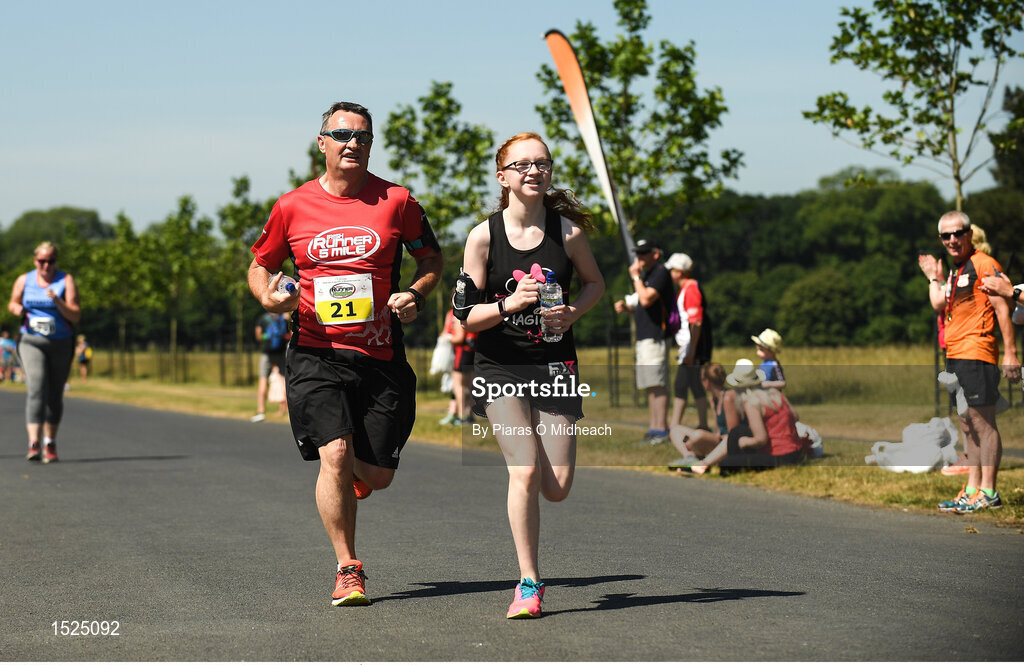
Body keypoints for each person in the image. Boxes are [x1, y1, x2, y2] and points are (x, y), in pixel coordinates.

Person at [248, 101, 443, 606]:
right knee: (333, 454)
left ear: (370, 144)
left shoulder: (398, 201)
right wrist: (271, 297)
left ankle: (356, 474)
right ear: (322, 143)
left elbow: (430, 256)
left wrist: (416, 293)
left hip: (380, 355)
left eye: (361, 136)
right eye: (341, 134)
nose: (351, 142)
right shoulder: (292, 205)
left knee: (375, 474)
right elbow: (260, 265)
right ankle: (348, 567)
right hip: (315, 349)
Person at [461, 132, 604, 619]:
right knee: (522, 470)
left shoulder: (568, 234)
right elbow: (466, 316)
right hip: (499, 365)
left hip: (554, 364)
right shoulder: (483, 236)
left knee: (556, 485)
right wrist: (507, 304)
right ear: (503, 177)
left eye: (541, 163)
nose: (533, 172)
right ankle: (528, 583)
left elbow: (595, 284)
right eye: (521, 165)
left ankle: (538, 483)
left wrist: (571, 315)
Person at [918, 211, 1020, 514]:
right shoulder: (956, 269)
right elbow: (939, 303)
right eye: (945, 236)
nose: (952, 240)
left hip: (978, 353)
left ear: (969, 234)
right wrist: (934, 277)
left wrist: (1011, 353)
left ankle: (988, 490)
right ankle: (972, 488)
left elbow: (1004, 309)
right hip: (956, 354)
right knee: (966, 424)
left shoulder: (984, 264)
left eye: (957, 233)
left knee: (983, 423)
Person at [8, 241, 81, 463]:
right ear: (35, 261)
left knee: (54, 394)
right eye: (41, 261)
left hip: (60, 343)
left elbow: (75, 315)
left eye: (50, 261)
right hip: (31, 341)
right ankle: (34, 443)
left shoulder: (65, 281)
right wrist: (17, 308)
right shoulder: (24, 280)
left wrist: (58, 301)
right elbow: (12, 303)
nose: (46, 265)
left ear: (56, 262)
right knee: (37, 387)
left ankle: (50, 442)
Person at [691, 359, 809, 475]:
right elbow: (795, 416)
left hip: (780, 456)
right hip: (797, 452)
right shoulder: (776, 394)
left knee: (726, 464)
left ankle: (710, 464)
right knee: (737, 431)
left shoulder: (752, 403)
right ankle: (707, 463)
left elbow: (760, 439)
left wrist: (743, 443)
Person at [613, 239, 676, 444]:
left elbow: (647, 298)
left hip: (655, 336)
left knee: (657, 384)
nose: (639, 258)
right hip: (645, 336)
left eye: (644, 253)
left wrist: (635, 278)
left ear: (655, 254)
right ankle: (654, 427)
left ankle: (661, 430)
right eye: (638, 254)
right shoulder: (649, 274)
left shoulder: (660, 272)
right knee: (651, 385)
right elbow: (645, 307)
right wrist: (629, 309)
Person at [665, 252, 712, 428]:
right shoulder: (686, 289)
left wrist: (691, 350)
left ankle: (675, 425)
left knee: (681, 385)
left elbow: (696, 322)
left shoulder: (691, 289)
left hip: (693, 347)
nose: (670, 273)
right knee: (694, 385)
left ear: (680, 271)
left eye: (672, 269)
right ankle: (702, 424)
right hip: (690, 346)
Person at [667, 363, 742, 470]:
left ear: (707, 381)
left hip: (726, 442)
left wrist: (694, 442)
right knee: (675, 430)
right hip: (719, 439)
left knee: (699, 435)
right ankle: (689, 456)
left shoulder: (728, 397)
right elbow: (718, 431)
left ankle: (699, 457)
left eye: (702, 379)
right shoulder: (713, 399)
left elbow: (732, 433)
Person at [251, 310, 290, 422]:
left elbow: (258, 336)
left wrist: (265, 339)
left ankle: (261, 410)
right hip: (281, 353)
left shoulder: (263, 319)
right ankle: (286, 409)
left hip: (267, 353)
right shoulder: (284, 318)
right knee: (284, 381)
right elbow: (290, 334)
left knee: (263, 380)